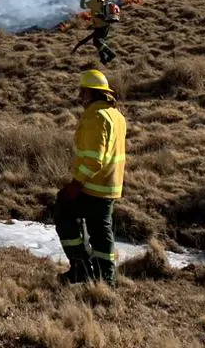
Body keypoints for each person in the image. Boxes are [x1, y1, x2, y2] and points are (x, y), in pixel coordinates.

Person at [54, 69, 128, 286]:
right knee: (100, 232)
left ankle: (81, 268)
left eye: (82, 92)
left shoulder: (96, 117)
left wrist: (76, 185)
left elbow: (95, 159)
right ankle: (106, 279)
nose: (80, 97)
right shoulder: (116, 116)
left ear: (90, 93)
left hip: (92, 186)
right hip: (110, 185)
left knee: (63, 210)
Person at [72, 0, 118, 65]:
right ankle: (103, 60)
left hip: (100, 26)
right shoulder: (103, 0)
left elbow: (82, 6)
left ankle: (111, 54)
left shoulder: (93, 1)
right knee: (99, 42)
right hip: (106, 25)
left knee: (97, 42)